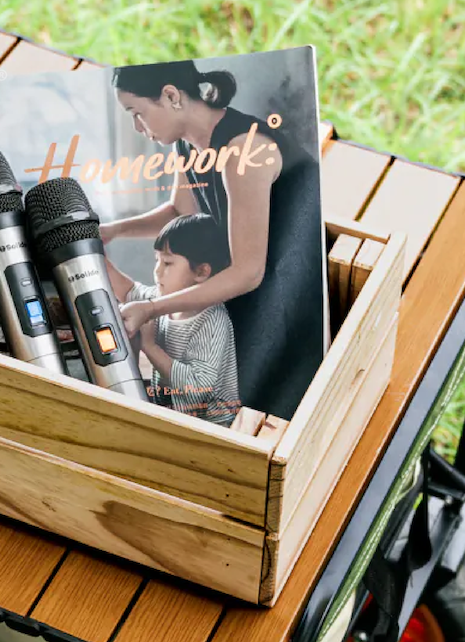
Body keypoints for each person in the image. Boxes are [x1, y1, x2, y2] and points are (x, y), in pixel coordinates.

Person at [102, 59, 323, 421]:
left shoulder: (244, 152)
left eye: (137, 113)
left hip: (288, 302)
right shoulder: (188, 146)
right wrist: (113, 231)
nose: (138, 127)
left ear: (171, 96)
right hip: (247, 295)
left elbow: (248, 272)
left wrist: (154, 308)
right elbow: (180, 212)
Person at [104, 214, 241, 426]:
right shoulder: (160, 300)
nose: (157, 271)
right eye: (157, 260)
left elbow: (198, 389)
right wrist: (94, 253)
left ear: (201, 272)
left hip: (212, 427)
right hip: (174, 417)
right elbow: (128, 291)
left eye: (167, 263)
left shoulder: (212, 321)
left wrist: (149, 347)